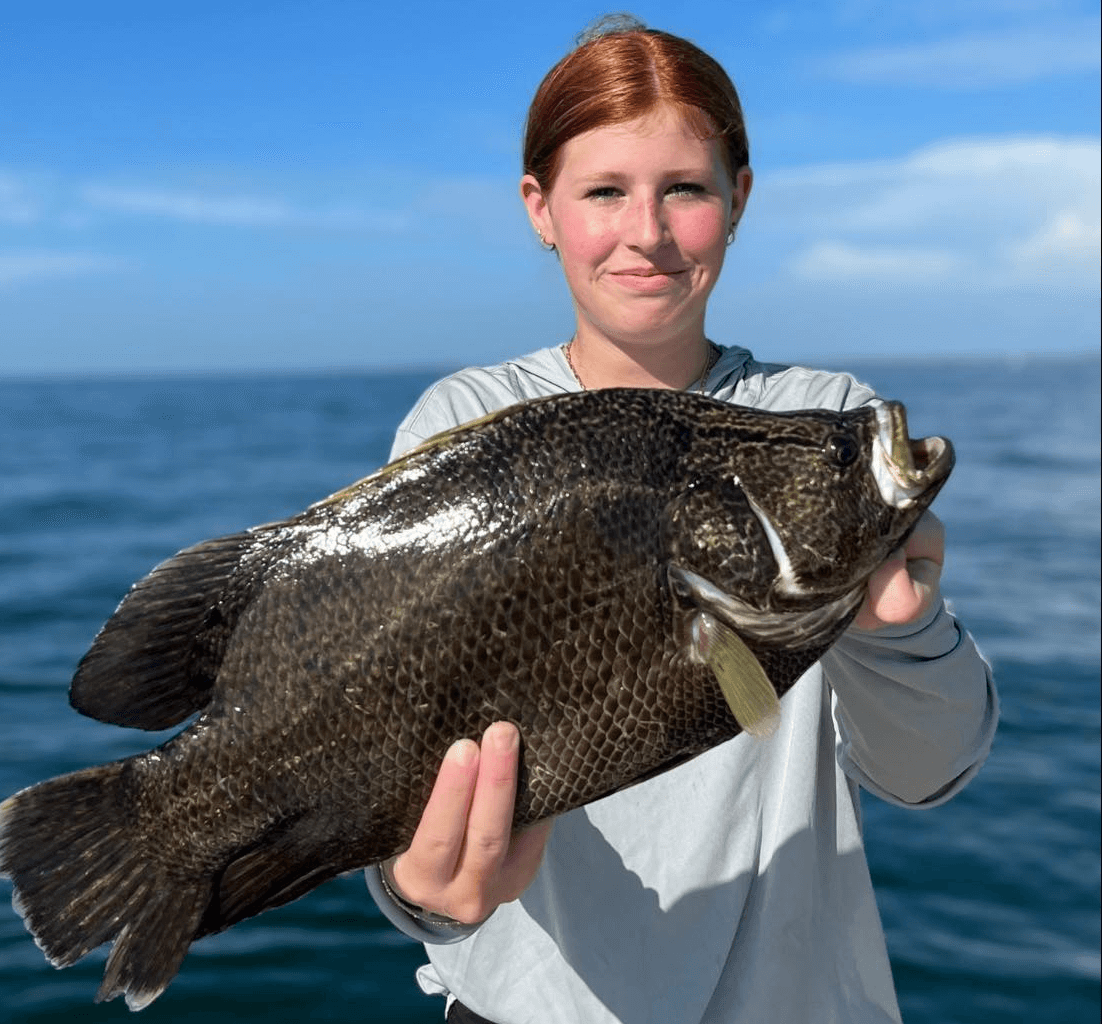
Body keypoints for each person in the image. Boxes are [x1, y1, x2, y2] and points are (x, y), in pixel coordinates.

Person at [364, 17, 997, 1024]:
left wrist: (899, 627)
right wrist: (419, 897)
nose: (646, 231)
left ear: (739, 199)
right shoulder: (459, 426)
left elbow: (927, 775)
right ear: (541, 208)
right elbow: (402, 764)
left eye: (686, 190)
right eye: (604, 191)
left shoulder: (822, 420)